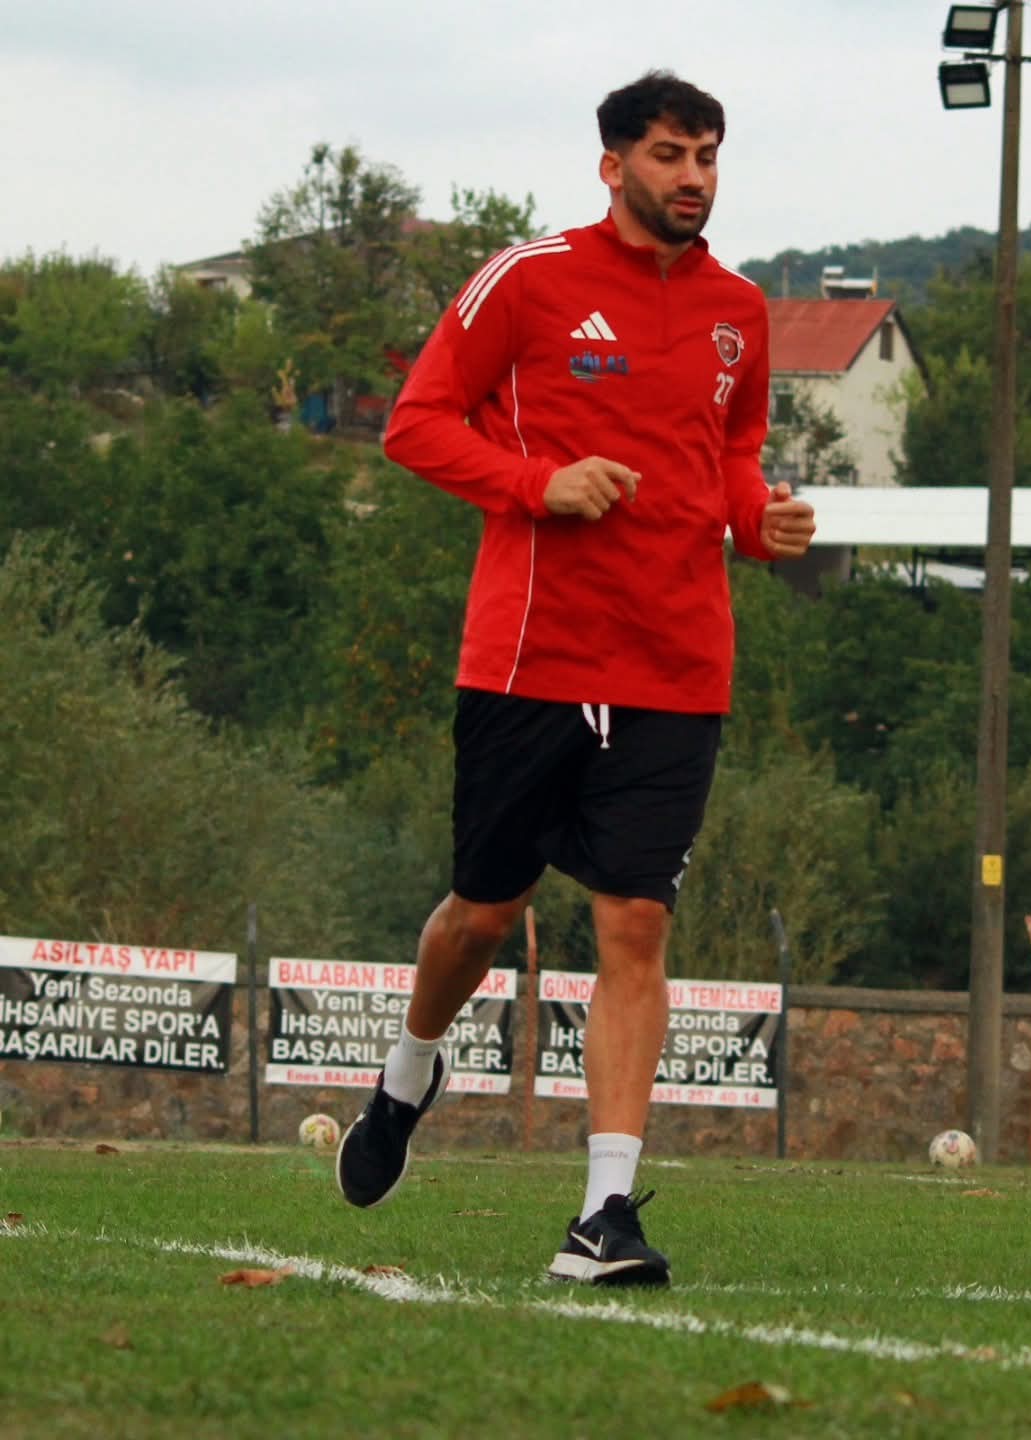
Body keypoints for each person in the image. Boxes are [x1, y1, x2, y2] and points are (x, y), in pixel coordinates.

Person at [333, 71, 815, 1286]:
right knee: (482, 918)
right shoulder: (529, 279)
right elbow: (416, 423)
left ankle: (605, 1217)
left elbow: (738, 453)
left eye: (707, 155)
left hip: (678, 667)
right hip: (529, 658)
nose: (691, 176)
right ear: (613, 166)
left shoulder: (741, 312)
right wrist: (533, 483)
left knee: (634, 924)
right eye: (667, 154)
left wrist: (764, 517)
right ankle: (409, 1072)